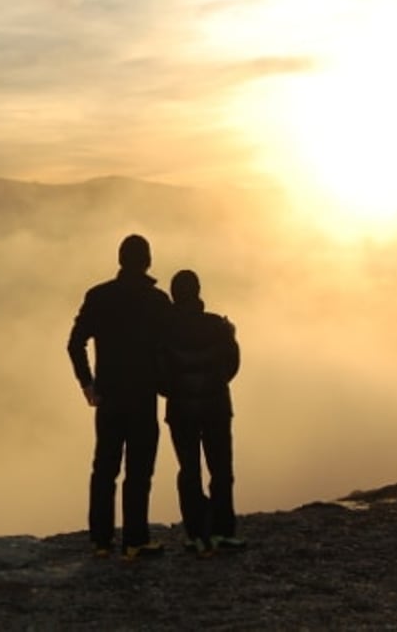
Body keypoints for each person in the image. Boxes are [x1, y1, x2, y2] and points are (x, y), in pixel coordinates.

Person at [67, 234, 172, 560]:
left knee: (104, 468)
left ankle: (100, 541)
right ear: (148, 261)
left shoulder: (98, 297)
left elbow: (74, 344)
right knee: (139, 471)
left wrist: (88, 384)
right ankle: (135, 541)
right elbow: (171, 347)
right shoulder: (157, 301)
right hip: (143, 396)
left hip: (109, 395)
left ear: (120, 259)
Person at [160, 269, 244, 556]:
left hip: (181, 411)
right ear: (197, 292)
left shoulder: (164, 331)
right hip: (217, 407)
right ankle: (223, 531)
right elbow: (232, 365)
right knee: (221, 469)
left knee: (189, 470)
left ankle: (195, 532)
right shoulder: (218, 326)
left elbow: (159, 375)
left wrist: (176, 391)